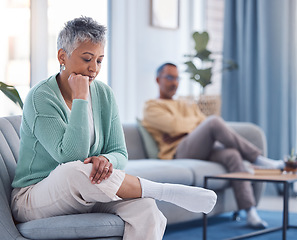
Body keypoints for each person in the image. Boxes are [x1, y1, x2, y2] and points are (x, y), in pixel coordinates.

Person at [11, 17, 217, 240]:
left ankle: (152, 195)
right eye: (87, 59)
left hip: (88, 190)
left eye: (99, 61)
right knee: (73, 170)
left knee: (146, 209)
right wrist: (80, 98)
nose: (93, 69)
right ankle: (162, 190)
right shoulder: (40, 96)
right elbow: (70, 157)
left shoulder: (104, 94)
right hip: (34, 197)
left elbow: (120, 152)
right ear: (63, 56)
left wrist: (106, 161)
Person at [142, 62, 285, 229]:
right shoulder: (151, 106)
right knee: (214, 122)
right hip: (179, 152)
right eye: (169, 77)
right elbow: (176, 126)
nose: (174, 82)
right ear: (158, 79)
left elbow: (191, 124)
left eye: (177, 78)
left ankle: (250, 211)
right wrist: (192, 127)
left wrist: (186, 128)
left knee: (232, 155)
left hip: (201, 147)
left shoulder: (184, 103)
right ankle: (258, 159)